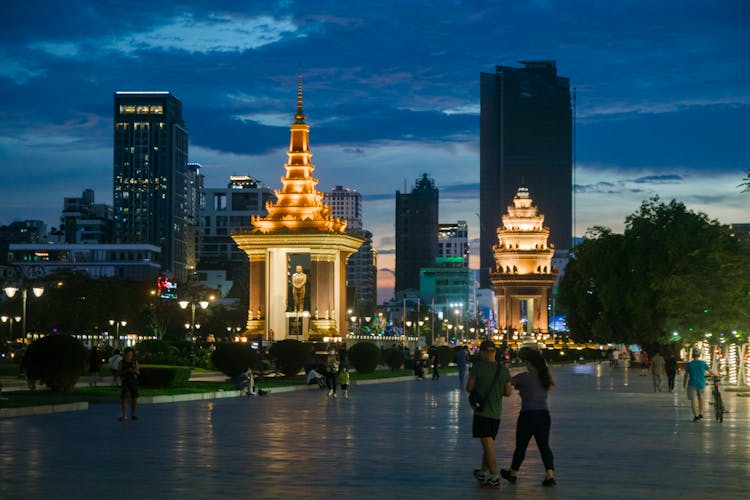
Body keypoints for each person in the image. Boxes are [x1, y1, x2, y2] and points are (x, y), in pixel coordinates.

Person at [500, 349, 556, 487]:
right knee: (544, 446)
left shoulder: (525, 377)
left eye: (527, 362)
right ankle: (550, 475)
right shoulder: (545, 378)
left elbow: (509, 382)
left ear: (530, 363)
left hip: (528, 415)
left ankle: (513, 472)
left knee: (521, 446)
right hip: (544, 415)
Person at [466, 340, 512, 489]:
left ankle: (494, 477)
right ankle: (482, 472)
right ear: (495, 352)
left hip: (482, 413)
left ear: (484, 352)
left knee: (488, 447)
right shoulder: (503, 369)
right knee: (489, 444)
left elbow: (469, 388)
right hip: (496, 414)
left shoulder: (478, 368)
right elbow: (508, 393)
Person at [683, 351, 711, 422]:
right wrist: (717, 375)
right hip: (701, 384)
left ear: (692, 356)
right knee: (701, 399)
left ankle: (696, 416)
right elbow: (710, 371)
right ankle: (701, 413)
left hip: (692, 384)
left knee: (693, 400)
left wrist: (684, 384)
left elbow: (686, 375)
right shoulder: (703, 363)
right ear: (699, 355)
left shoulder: (690, 364)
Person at [118, 347, 140, 421]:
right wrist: (127, 370)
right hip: (125, 381)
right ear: (125, 354)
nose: (129, 355)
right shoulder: (121, 362)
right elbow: (119, 372)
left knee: (134, 398)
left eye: (131, 354)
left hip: (133, 381)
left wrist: (134, 370)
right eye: (128, 354)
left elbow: (138, 372)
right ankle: (124, 415)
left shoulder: (134, 362)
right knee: (124, 398)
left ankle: (133, 414)